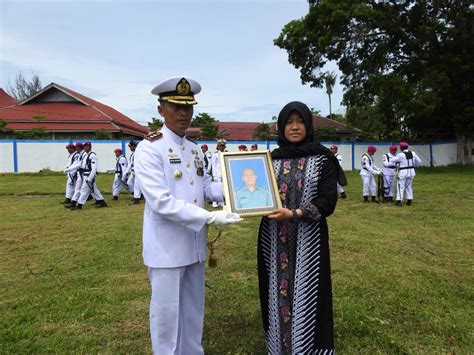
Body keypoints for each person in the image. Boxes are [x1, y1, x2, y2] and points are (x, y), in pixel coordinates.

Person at [134, 76, 241, 355]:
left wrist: (239, 188)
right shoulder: (149, 148)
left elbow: (206, 187)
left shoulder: (193, 150)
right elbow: (160, 201)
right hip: (167, 247)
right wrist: (207, 218)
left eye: (187, 107)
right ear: (161, 109)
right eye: (175, 106)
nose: (183, 113)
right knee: (167, 316)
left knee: (193, 312)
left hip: (193, 246)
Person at [257, 101, 346, 354]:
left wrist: (295, 213)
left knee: (310, 291)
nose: (294, 127)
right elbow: (254, 192)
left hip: (309, 238)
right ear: (281, 127)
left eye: (300, 122)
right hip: (274, 237)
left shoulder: (323, 159)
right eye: (289, 122)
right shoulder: (268, 160)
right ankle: (279, 345)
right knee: (275, 289)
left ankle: (309, 347)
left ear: (308, 125)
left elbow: (328, 202)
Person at [70, 141, 108, 210]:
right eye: (84, 146)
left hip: (89, 175)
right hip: (85, 175)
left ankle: (79, 205)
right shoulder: (87, 155)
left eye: (87, 146)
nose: (85, 148)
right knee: (94, 190)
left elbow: (94, 168)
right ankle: (102, 202)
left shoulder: (92, 155)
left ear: (90, 147)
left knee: (84, 190)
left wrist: (90, 178)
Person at [390, 141, 422, 206]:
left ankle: (399, 201)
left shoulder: (400, 154)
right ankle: (409, 200)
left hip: (403, 172)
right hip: (411, 171)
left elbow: (392, 160)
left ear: (401, 148)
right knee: (408, 186)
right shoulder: (413, 153)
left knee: (400, 186)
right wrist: (412, 165)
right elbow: (419, 161)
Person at [124, 140, 142, 204]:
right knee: (129, 183)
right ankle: (138, 195)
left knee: (137, 185)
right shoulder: (133, 154)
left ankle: (136, 199)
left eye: (130, 146)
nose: (130, 148)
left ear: (134, 146)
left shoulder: (139, 152)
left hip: (138, 171)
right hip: (133, 171)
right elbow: (130, 164)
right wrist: (126, 172)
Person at [210, 139, 226, 208]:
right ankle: (214, 202)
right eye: (220, 146)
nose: (221, 147)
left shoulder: (226, 153)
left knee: (223, 188)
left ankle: (221, 202)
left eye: (223, 146)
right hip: (217, 173)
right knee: (217, 188)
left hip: (224, 173)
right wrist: (214, 175)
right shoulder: (215, 154)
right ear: (218, 146)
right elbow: (213, 165)